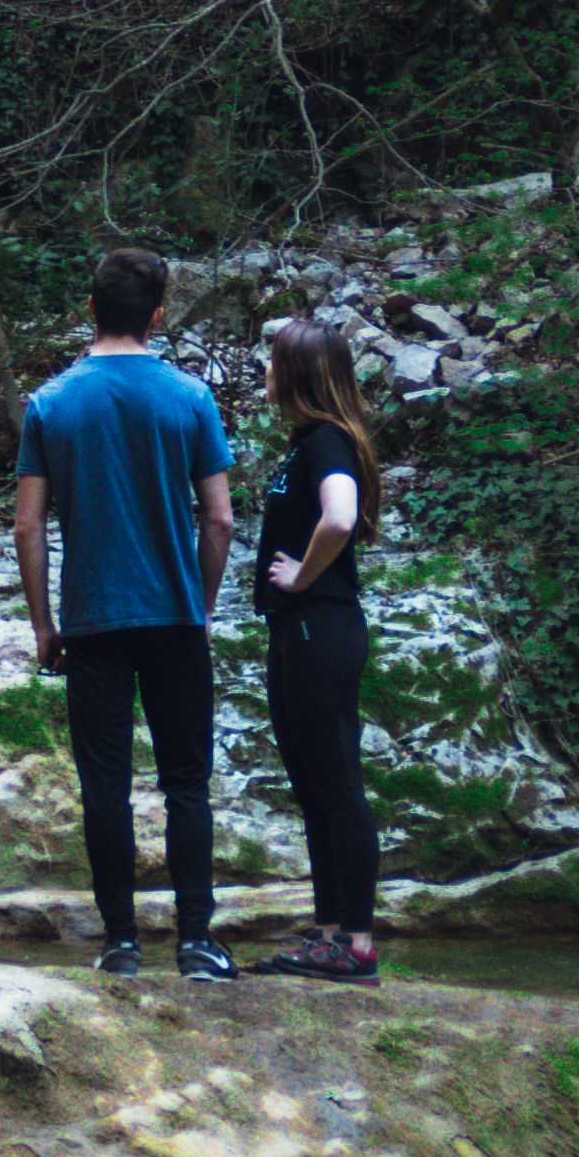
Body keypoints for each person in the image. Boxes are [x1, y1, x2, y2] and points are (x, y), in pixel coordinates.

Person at [12, 248, 237, 981]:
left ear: (90, 309)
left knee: (104, 786)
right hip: (173, 616)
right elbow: (220, 521)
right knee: (186, 784)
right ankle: (197, 942)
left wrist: (45, 625)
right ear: (160, 314)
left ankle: (121, 944)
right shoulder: (190, 398)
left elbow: (27, 528)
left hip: (92, 622)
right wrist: (200, 605)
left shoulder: (50, 404)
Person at [247, 312, 384, 981]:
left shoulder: (326, 440)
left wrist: (302, 574)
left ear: (298, 374)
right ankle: (330, 932)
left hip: (317, 623)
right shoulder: (311, 441)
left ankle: (355, 942)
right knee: (314, 784)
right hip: (302, 629)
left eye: (273, 361)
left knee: (336, 782)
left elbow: (340, 516)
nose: (264, 372)